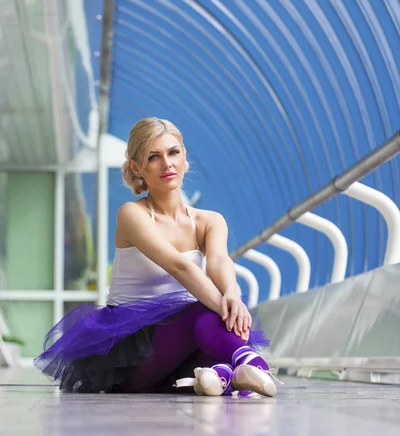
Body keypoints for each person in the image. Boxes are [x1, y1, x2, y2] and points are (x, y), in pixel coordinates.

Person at [34, 117, 277, 397]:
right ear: (137, 167)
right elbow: (179, 266)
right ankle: (252, 366)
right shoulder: (132, 214)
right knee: (208, 311)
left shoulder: (210, 220)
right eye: (153, 157)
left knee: (212, 317)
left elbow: (220, 261)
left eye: (173, 152)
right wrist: (225, 308)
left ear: (185, 157)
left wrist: (233, 295)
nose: (167, 164)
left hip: (182, 351)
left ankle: (218, 377)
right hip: (132, 352)